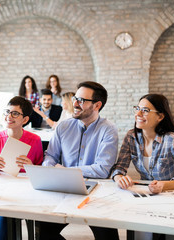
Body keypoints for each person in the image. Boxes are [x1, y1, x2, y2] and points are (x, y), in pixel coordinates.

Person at [112, 93, 174, 240]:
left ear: (160, 117)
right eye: (137, 108)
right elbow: (119, 168)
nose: (138, 114)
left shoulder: (171, 139)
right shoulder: (131, 137)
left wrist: (164, 185)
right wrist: (118, 177)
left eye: (145, 110)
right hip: (146, 200)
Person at [38, 81, 119, 240]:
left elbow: (102, 169)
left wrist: (66, 171)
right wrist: (49, 169)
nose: (74, 103)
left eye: (81, 100)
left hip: (97, 192)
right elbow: (50, 156)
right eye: (75, 98)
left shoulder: (108, 129)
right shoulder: (63, 127)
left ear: (97, 105)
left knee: (107, 237)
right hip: (65, 189)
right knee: (44, 233)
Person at [0, 96, 43, 239]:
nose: (9, 116)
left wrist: (31, 166)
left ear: (25, 120)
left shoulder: (35, 140)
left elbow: (41, 168)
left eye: (15, 113)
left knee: (7, 219)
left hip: (26, 192)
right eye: (7, 112)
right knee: (4, 218)